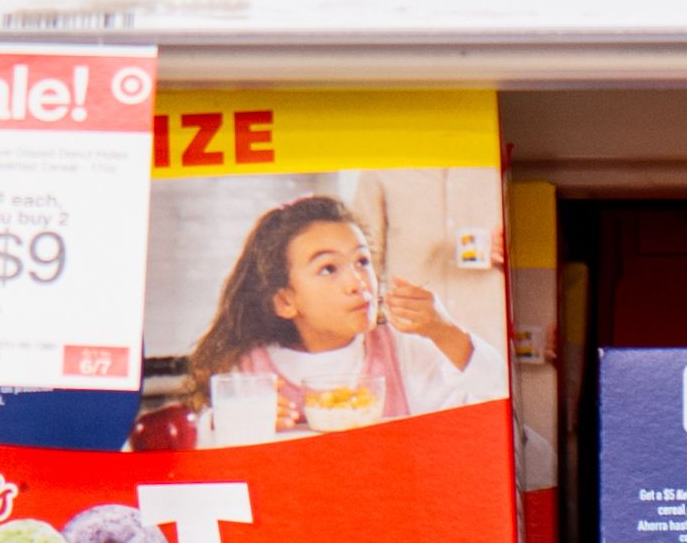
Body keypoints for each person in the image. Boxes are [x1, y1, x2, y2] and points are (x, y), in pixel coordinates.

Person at [173, 189, 477, 450]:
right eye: (328, 269)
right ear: (285, 301)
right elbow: (198, 452)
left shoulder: (403, 350)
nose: (358, 282)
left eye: (362, 261)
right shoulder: (249, 370)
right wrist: (230, 423)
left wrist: (446, 332)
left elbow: (482, 420)